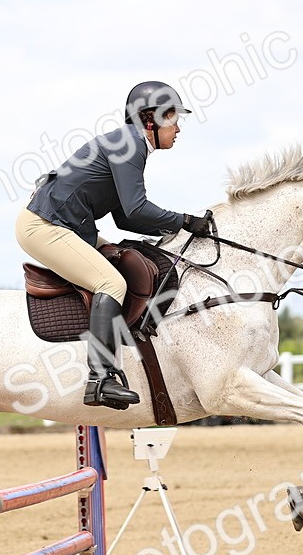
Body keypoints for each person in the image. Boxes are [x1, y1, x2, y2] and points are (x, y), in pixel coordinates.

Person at [16, 80, 213, 410]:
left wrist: (176, 230)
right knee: (110, 283)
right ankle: (100, 379)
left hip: (66, 226)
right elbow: (137, 209)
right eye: (172, 118)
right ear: (150, 120)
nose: (178, 127)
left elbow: (125, 218)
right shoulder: (130, 144)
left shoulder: (129, 144)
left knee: (128, 259)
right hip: (45, 226)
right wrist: (184, 220)